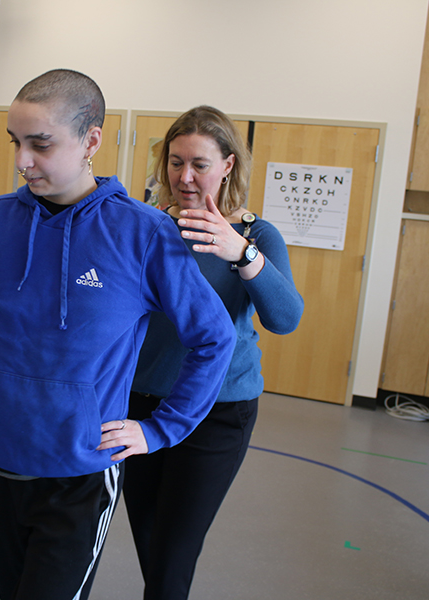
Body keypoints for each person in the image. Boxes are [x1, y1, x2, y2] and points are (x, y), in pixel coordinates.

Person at [0, 72, 236, 600]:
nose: (22, 161)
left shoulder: (144, 234)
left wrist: (160, 431)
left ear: (91, 140)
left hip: (80, 476)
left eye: (40, 144)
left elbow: (213, 338)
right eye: (15, 142)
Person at [124, 105, 304, 600]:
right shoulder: (148, 226)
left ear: (227, 165)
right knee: (151, 542)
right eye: (175, 162)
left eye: (199, 164)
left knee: (172, 556)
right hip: (142, 406)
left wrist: (239, 253)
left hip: (219, 411)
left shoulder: (256, 236)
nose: (184, 176)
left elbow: (285, 319)